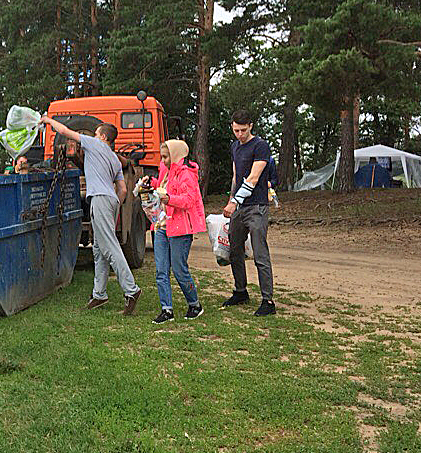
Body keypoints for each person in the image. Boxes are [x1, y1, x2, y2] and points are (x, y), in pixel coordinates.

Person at [40, 116, 142, 315]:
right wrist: (114, 206)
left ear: (102, 137)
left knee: (109, 247)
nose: (92, 135)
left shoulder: (95, 144)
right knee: (99, 249)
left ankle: (132, 290)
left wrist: (48, 121)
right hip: (111, 200)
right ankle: (99, 294)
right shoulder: (114, 158)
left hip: (100, 199)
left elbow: (65, 132)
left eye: (95, 133)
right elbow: (122, 190)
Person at [143, 140, 206, 324]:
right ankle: (166, 309)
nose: (163, 160)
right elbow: (162, 185)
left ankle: (195, 304)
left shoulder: (187, 175)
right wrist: (151, 183)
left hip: (180, 228)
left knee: (179, 269)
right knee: (161, 270)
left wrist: (168, 199)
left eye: (165, 156)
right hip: (161, 225)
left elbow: (188, 201)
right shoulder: (166, 170)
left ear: (176, 155)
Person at [221, 110, 276, 316]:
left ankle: (267, 300)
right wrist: (231, 200)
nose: (240, 134)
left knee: (260, 252)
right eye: (236, 130)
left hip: (257, 207)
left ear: (251, 126)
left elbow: (253, 178)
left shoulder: (260, 146)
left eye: (243, 130)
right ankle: (240, 291)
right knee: (235, 249)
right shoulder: (235, 147)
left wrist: (234, 202)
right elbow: (236, 176)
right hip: (239, 207)